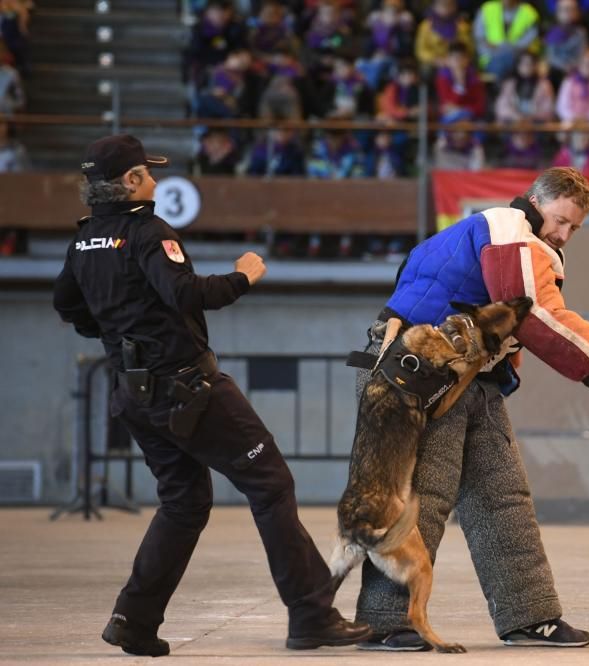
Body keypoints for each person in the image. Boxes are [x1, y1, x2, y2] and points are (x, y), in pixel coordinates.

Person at [52, 134, 371, 657]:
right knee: (269, 483)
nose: (155, 180)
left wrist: (120, 333)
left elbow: (68, 306)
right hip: (189, 388)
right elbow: (187, 293)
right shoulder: (148, 231)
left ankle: (133, 620)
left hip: (134, 397)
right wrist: (244, 275)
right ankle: (313, 614)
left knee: (183, 501)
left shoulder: (84, 240)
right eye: (148, 173)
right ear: (131, 181)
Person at [350, 167, 589, 652]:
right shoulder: (508, 230)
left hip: (467, 375)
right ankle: (386, 620)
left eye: (574, 227)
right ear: (535, 200)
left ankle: (529, 617)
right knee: (424, 495)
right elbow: (533, 313)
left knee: (504, 498)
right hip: (421, 371)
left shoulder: (495, 232)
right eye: (560, 220)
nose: (564, 234)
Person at [473, 0, 541, 79]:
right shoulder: (488, 8)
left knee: (522, 66)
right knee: (502, 66)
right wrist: (499, 50)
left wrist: (508, 49)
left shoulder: (529, 12)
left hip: (518, 57)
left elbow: (531, 40)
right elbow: (479, 37)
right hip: (490, 57)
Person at [495, 51, 556, 123]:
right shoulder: (509, 84)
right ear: (518, 66)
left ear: (535, 66)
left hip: (536, 123)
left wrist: (532, 117)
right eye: (523, 63)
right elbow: (501, 107)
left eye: (530, 63)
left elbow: (549, 109)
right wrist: (516, 116)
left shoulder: (544, 85)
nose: (527, 67)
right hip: (513, 121)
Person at [414, 0, 474, 71]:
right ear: (434, 6)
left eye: (450, 5)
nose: (446, 8)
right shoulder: (426, 26)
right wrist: (436, 59)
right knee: (426, 69)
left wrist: (457, 58)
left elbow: (469, 48)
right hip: (435, 62)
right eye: (442, 5)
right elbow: (420, 51)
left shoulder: (462, 26)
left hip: (457, 60)